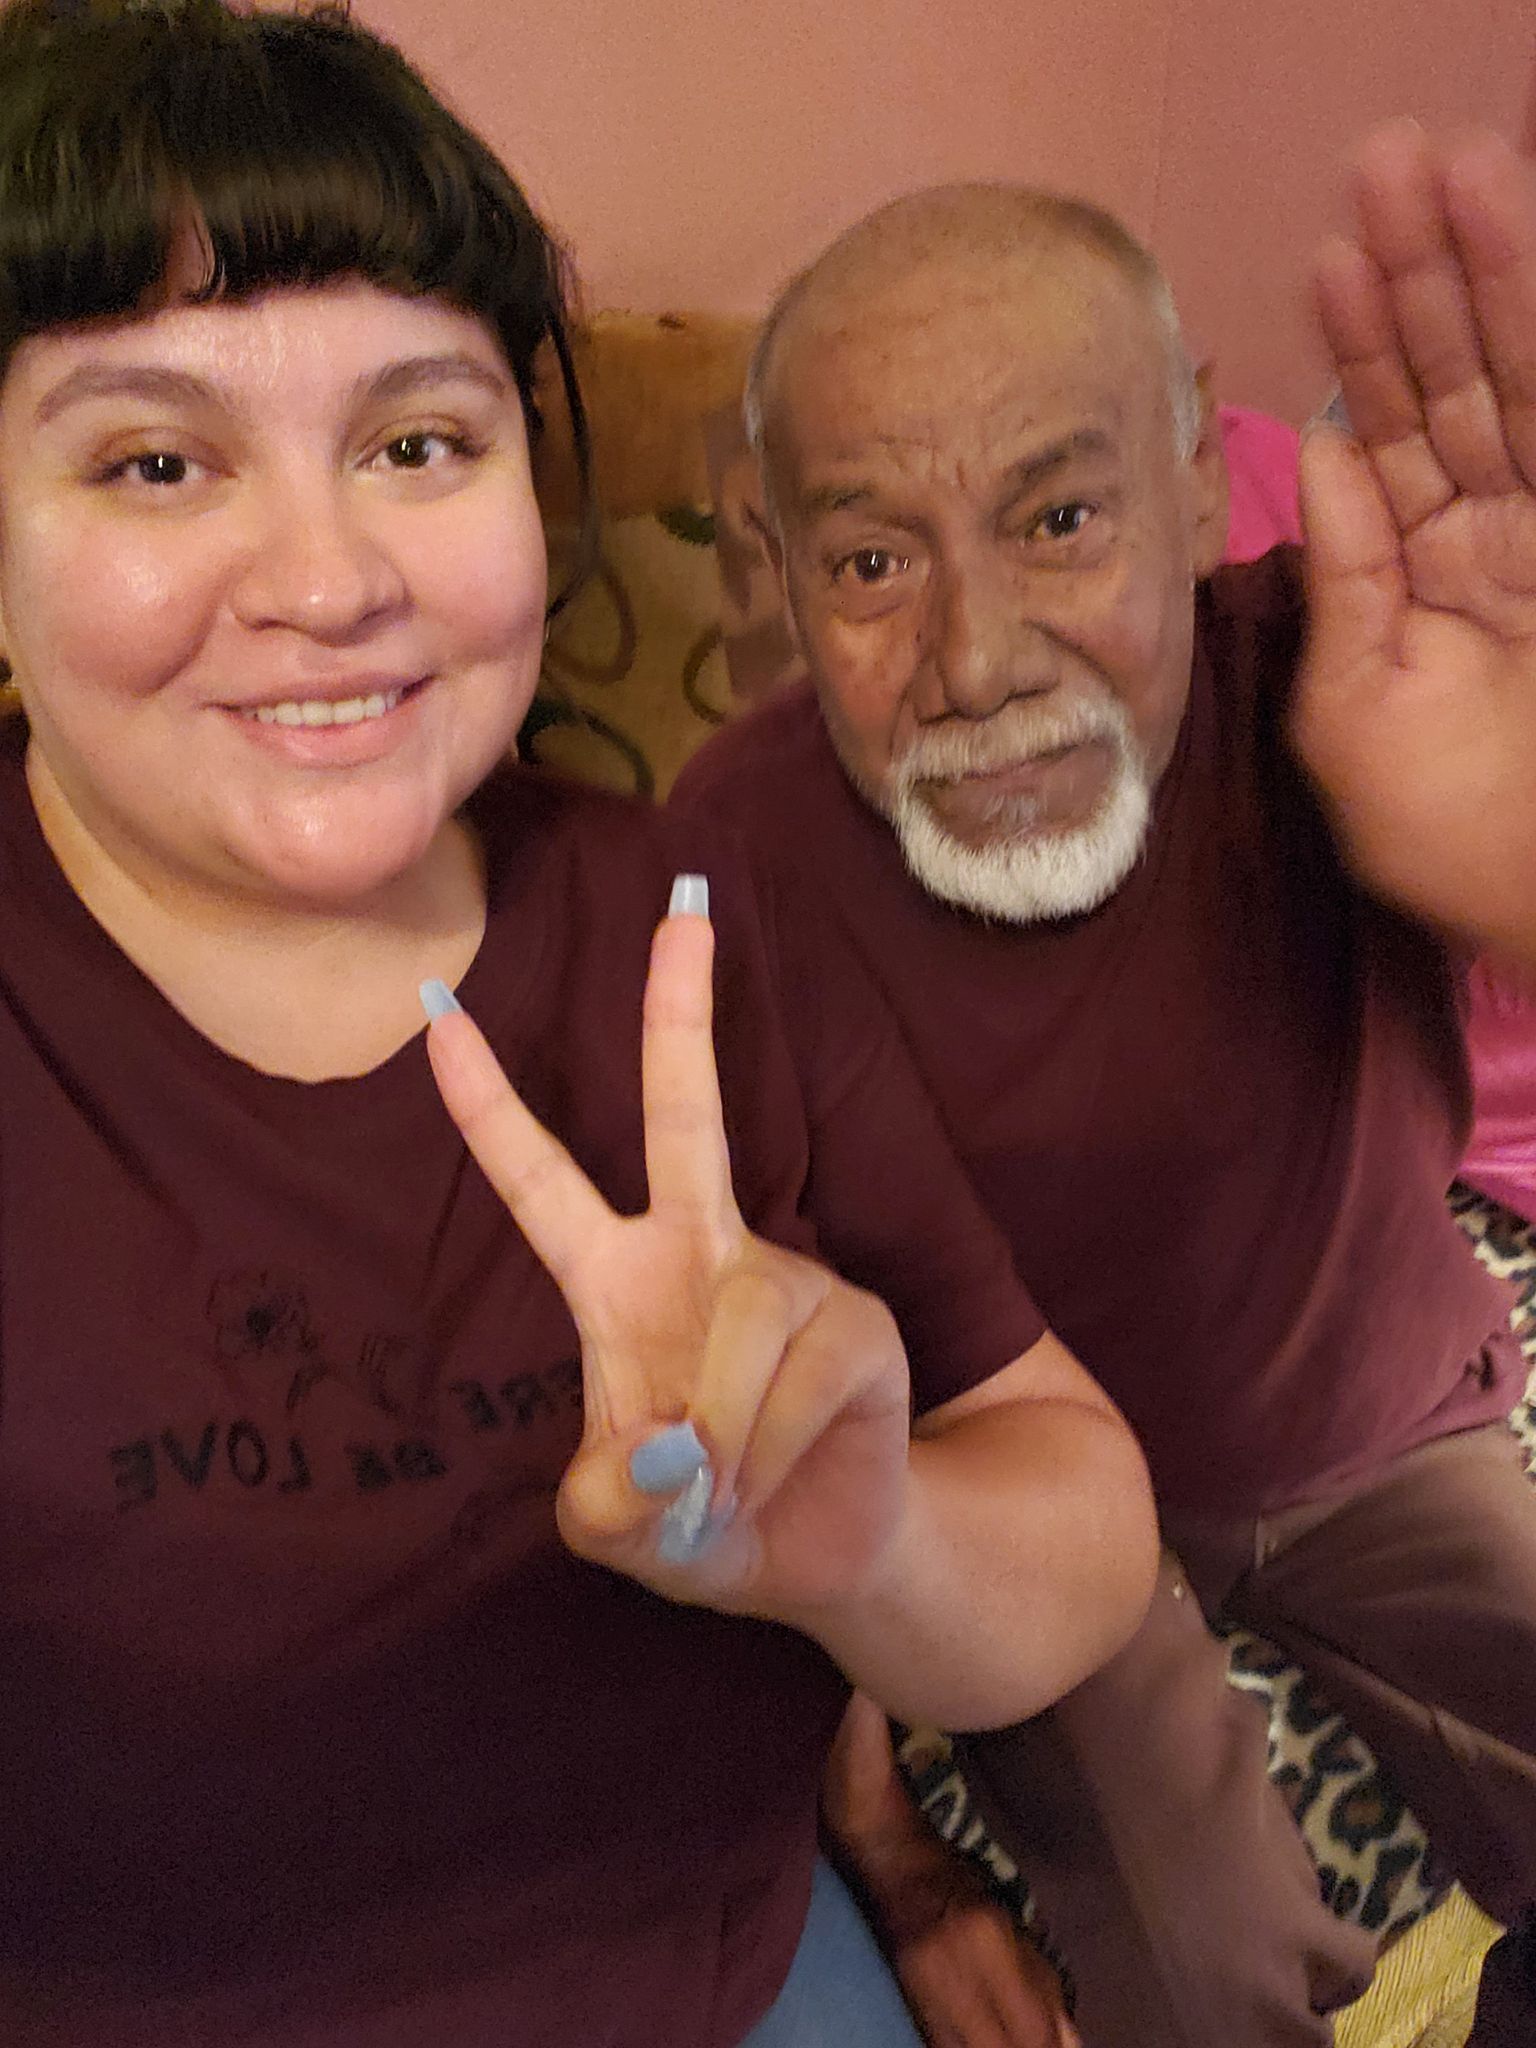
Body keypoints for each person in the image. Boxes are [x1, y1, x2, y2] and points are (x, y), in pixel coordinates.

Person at [0, 4, 1159, 2044]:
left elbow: (1071, 1510)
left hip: (723, 1974)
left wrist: (865, 1551)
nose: (327, 581)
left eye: (419, 443)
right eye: (156, 461)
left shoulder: (694, 920)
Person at [672, 129, 1536, 2046]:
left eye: (1061, 519)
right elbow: (773, 1397)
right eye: (874, 562)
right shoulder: (729, 860)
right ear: (782, 574)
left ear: (1195, 471)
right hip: (1030, 1509)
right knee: (1199, 1959)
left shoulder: (1369, 684)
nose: (976, 664)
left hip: (1381, 1420)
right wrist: (885, 1846)